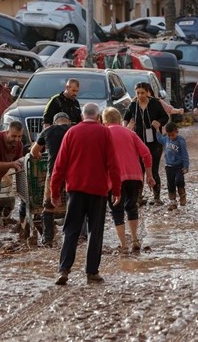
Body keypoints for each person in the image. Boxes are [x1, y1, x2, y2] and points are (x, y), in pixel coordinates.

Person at [51, 103, 121, 285]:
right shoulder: (105, 133)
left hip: (75, 189)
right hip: (98, 190)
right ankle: (91, 272)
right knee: (95, 232)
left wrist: (54, 190)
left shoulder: (71, 133)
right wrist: (116, 189)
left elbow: (59, 165)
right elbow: (113, 164)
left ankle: (64, 270)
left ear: (82, 116)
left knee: (71, 230)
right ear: (98, 117)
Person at [102, 107, 154, 252]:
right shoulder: (131, 134)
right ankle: (135, 239)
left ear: (104, 122)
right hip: (135, 177)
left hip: (113, 179)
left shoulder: (104, 134)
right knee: (132, 207)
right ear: (119, 120)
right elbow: (146, 154)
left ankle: (124, 245)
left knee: (116, 210)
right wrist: (149, 175)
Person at [30, 112, 71, 246]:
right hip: (73, 172)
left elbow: (34, 152)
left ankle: (48, 239)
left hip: (54, 171)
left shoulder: (48, 131)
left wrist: (39, 155)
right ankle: (77, 236)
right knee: (74, 203)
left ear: (54, 122)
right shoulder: (73, 130)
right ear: (68, 122)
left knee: (49, 205)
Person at [123, 82, 168, 204]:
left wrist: (159, 122)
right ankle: (139, 197)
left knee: (153, 169)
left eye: (142, 93)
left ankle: (156, 197)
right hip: (138, 141)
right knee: (139, 170)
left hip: (154, 142)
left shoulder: (155, 103)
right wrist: (126, 127)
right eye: (138, 93)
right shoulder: (133, 105)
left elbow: (165, 117)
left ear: (147, 92)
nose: (140, 95)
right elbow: (125, 117)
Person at [154, 122, 190, 210]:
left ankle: (182, 195)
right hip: (169, 166)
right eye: (169, 135)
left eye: (173, 135)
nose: (171, 137)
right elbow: (159, 138)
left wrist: (186, 166)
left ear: (177, 131)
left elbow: (185, 154)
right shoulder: (166, 139)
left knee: (179, 181)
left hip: (179, 166)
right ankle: (173, 202)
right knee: (170, 184)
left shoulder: (180, 140)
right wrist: (157, 129)